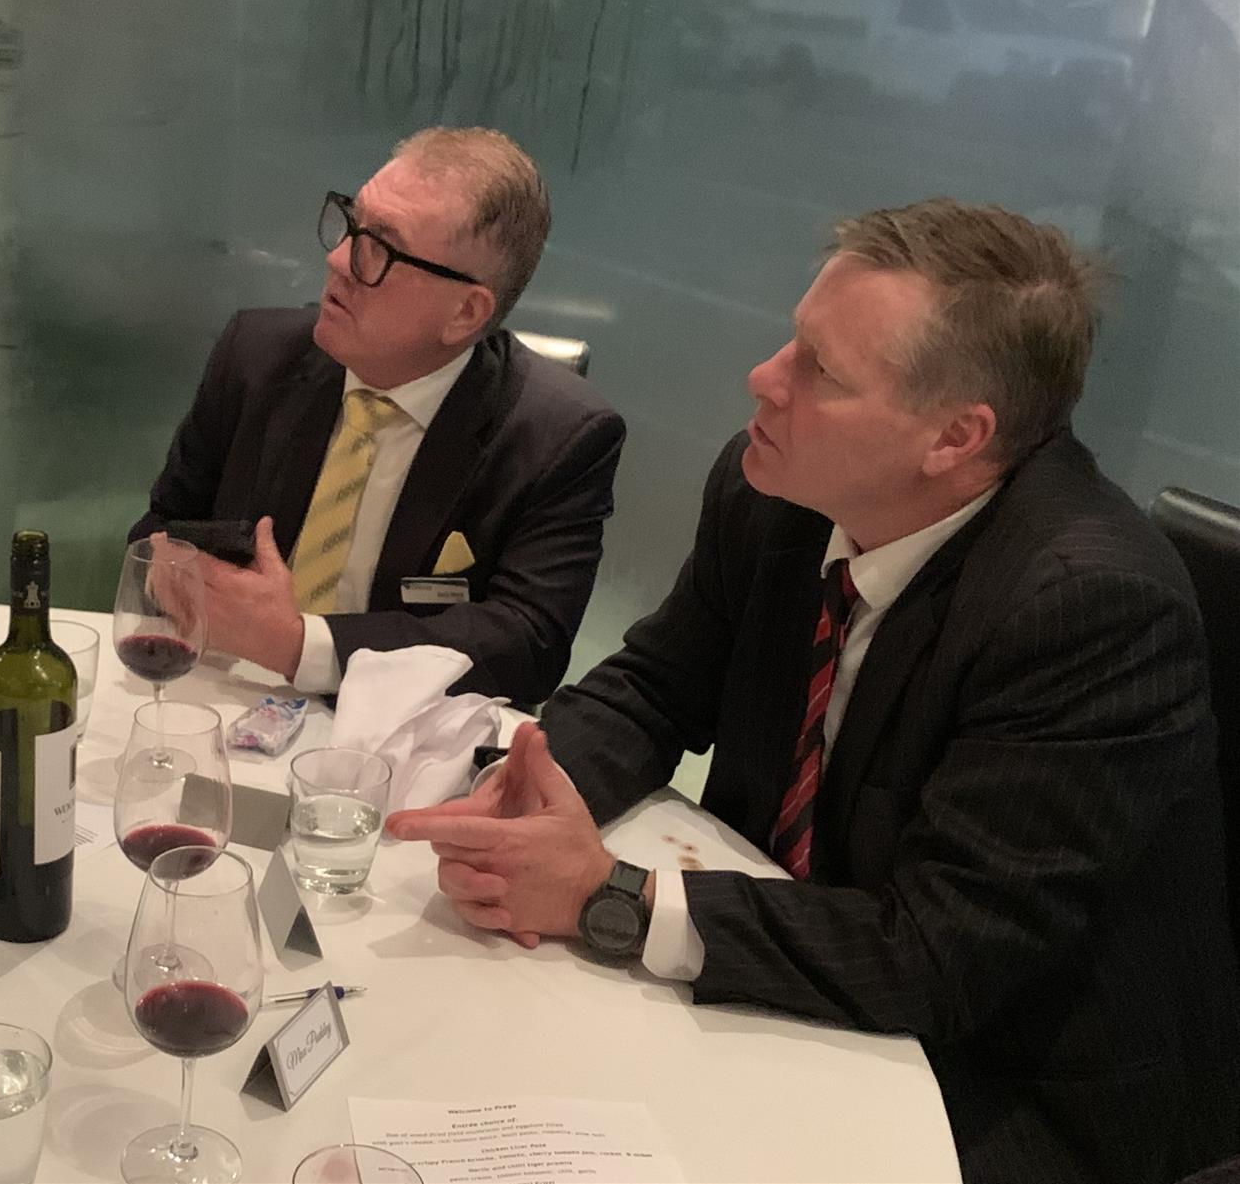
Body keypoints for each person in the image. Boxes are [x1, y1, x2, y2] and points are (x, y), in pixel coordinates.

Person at [389, 199, 1240, 1184]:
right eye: (793, 339)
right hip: (806, 977)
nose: (764, 377)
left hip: (1013, 1080)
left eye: (821, 371)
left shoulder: (1090, 608)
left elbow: (939, 953)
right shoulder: (777, 489)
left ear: (955, 437)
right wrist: (519, 793)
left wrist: (611, 895)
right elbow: (657, 685)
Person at [131, 127, 624, 706]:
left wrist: (301, 645)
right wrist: (174, 573)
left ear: (465, 313)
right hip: (232, 698)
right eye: (351, 223)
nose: (338, 259)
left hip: (402, 734)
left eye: (380, 249)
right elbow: (160, 531)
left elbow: (526, 645)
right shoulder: (255, 357)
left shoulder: (558, 436)